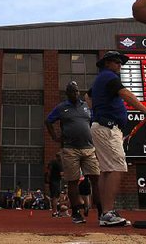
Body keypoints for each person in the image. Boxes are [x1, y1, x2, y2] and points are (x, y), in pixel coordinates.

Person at [89, 51, 146, 227]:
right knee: (117, 167)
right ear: (106, 63)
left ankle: (105, 212)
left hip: (103, 126)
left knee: (106, 170)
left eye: (121, 62)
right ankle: (107, 213)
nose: (120, 64)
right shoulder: (108, 77)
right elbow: (126, 94)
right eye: (116, 61)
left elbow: (87, 96)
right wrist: (145, 109)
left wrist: (97, 110)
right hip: (107, 127)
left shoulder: (101, 79)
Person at [46, 80, 102, 224]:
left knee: (96, 178)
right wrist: (55, 136)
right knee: (73, 181)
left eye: (77, 91)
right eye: (72, 91)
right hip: (70, 149)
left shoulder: (86, 107)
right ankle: (76, 213)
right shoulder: (61, 107)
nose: (75, 93)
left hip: (88, 148)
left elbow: (93, 122)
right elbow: (48, 121)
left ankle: (102, 212)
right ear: (67, 93)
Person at [45, 153, 63, 217]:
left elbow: (48, 171)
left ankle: (55, 211)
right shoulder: (59, 163)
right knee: (56, 197)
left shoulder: (51, 162)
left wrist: (48, 179)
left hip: (52, 181)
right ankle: (55, 212)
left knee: (54, 197)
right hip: (56, 181)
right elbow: (61, 173)